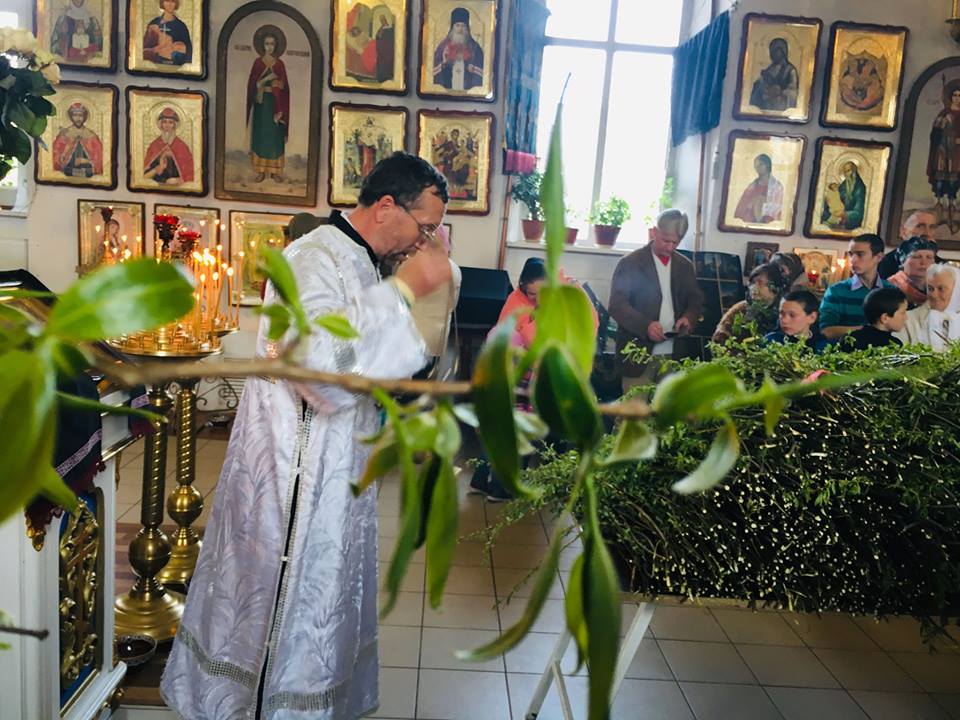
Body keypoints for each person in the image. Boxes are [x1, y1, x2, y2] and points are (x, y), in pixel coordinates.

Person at [160, 152, 452, 719]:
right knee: (276, 604)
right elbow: (318, 370)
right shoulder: (313, 258)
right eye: (426, 227)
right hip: (295, 479)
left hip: (334, 467)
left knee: (324, 601)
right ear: (387, 206)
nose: (426, 242)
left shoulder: (362, 260)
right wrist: (404, 293)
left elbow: (373, 365)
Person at [609, 209, 704, 390]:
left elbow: (695, 302)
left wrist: (688, 318)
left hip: (674, 353)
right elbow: (617, 306)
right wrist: (646, 325)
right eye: (665, 240)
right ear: (654, 232)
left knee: (666, 413)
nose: (669, 247)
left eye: (674, 242)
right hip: (637, 354)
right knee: (633, 412)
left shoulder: (685, 266)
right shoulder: (630, 262)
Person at [819, 233, 891, 340]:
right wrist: (868, 331)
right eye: (851, 254)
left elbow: (899, 327)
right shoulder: (836, 291)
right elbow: (826, 331)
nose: (853, 260)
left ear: (878, 257)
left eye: (860, 254)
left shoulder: (891, 291)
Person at [246, 27, 290, 183]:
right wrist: (259, 84)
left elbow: (284, 86)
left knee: (275, 136)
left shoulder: (280, 64)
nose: (269, 47)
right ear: (262, 45)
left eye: (272, 44)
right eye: (267, 44)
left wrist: (278, 86)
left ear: (276, 45)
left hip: (275, 104)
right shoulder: (258, 63)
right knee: (261, 135)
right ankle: (260, 171)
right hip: (262, 104)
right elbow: (252, 83)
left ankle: (275, 172)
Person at [712, 263, 783, 344]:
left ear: (773, 287)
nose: (754, 288)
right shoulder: (741, 309)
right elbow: (720, 337)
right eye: (752, 283)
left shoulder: (784, 312)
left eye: (760, 283)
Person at [895, 264, 960, 351]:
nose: (933, 294)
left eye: (941, 289)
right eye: (930, 288)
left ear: (957, 291)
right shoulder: (907, 319)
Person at [433, 7, 484, 91]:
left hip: (467, 88)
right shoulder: (443, 46)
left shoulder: (475, 47)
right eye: (457, 25)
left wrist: (473, 69)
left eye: (463, 26)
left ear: (467, 28)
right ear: (452, 27)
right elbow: (433, 71)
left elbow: (483, 72)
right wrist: (444, 63)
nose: (460, 29)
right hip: (447, 87)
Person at [928, 83, 960, 215]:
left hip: (957, 150)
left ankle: (952, 202)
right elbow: (934, 134)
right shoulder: (943, 113)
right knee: (940, 176)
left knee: (954, 177)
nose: (957, 98)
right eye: (955, 95)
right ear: (950, 97)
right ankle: (939, 201)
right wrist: (940, 124)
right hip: (942, 148)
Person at [879, 210, 939, 279]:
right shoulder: (884, 264)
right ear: (903, 231)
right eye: (920, 226)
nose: (927, 233)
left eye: (932, 227)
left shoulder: (942, 266)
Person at [842, 287, 907, 351]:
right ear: (884, 318)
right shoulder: (894, 346)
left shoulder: (850, 338)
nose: (906, 318)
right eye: (903, 313)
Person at [143, 107, 195, 185]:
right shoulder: (155, 145)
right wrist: (158, 170)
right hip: (157, 183)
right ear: (160, 124)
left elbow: (189, 172)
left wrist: (179, 179)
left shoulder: (181, 146)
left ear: (175, 125)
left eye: (170, 122)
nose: (167, 125)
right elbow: (144, 172)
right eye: (164, 122)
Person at [764, 290, 829, 351]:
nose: (784, 320)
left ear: (812, 317)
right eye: (782, 314)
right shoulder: (769, 342)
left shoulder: (824, 348)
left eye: (792, 315)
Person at [51, 102, 103, 178]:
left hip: (88, 170)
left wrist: (85, 161)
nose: (78, 118)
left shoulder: (91, 135)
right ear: (71, 117)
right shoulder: (64, 135)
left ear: (84, 117)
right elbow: (55, 156)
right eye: (75, 115)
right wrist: (64, 158)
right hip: (68, 170)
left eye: (80, 115)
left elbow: (100, 159)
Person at [883, 236, 938, 308]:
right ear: (903, 261)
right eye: (917, 257)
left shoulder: (940, 288)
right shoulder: (887, 288)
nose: (923, 262)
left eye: (929, 257)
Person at [748, 37, 799, 111]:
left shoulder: (790, 71)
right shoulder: (767, 71)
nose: (772, 54)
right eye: (771, 51)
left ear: (782, 52)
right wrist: (763, 89)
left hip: (781, 107)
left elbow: (794, 93)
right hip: (766, 107)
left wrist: (780, 92)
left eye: (775, 51)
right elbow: (757, 88)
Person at [733, 154, 783, 223]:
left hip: (767, 223)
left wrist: (762, 202)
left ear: (767, 165)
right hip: (750, 221)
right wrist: (752, 202)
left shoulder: (776, 186)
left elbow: (777, 208)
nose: (758, 167)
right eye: (756, 165)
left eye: (761, 164)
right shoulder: (752, 186)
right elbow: (741, 208)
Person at [143, 0, 192, 66]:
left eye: (172, 1)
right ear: (162, 2)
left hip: (174, 65)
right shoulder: (154, 23)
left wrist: (177, 49)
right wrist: (156, 49)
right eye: (167, 1)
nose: (169, 4)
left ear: (176, 4)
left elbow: (188, 52)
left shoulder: (181, 26)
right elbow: (144, 49)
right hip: (154, 65)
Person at [821, 161, 866, 230]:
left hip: (849, 223)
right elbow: (835, 199)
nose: (847, 174)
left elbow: (859, 212)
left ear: (854, 171)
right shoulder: (843, 186)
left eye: (848, 171)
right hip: (836, 217)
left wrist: (845, 215)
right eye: (845, 172)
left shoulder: (860, 188)